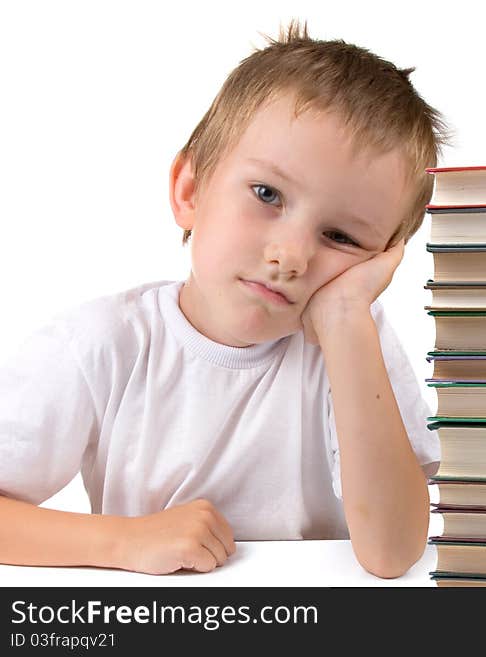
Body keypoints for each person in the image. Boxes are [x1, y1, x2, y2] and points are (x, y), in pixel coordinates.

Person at [0, 20, 449, 579]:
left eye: (341, 237)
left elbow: (392, 553)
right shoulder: (101, 344)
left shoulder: (354, 340)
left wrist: (345, 322)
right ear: (190, 191)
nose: (291, 256)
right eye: (268, 194)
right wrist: (122, 541)